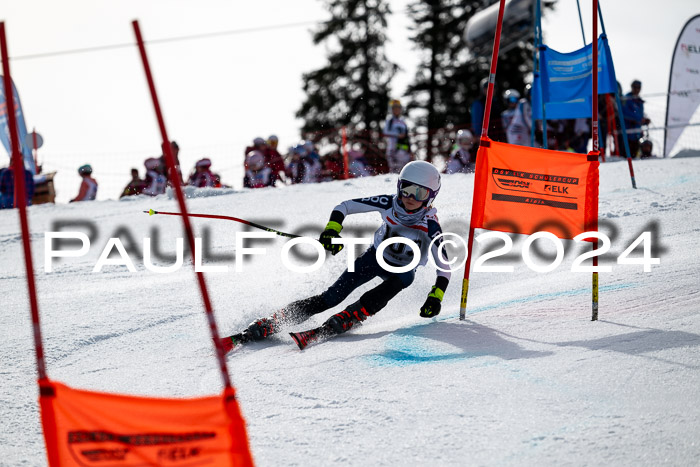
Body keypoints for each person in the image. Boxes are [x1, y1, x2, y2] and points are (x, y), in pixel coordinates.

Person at [224, 160, 451, 351]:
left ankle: (353, 314)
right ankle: (275, 321)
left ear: (431, 197)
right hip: (373, 259)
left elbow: (445, 267)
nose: (410, 197)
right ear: (399, 186)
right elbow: (344, 207)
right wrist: (332, 230)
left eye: (419, 192)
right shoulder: (388, 203)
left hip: (401, 271)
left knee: (398, 282)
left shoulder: (430, 226)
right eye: (407, 189)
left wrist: (435, 296)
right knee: (330, 298)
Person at [471, 77, 505, 142]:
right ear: (483, 89)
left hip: (499, 135)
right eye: (487, 88)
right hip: (487, 136)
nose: (490, 90)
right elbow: (476, 121)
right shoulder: (479, 103)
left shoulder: (498, 102)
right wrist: (479, 135)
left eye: (493, 88)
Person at [622, 80, 650, 158]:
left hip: (637, 134)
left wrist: (644, 121)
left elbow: (640, 115)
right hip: (628, 134)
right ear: (632, 87)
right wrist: (639, 119)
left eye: (639, 87)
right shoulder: (627, 98)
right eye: (635, 87)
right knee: (627, 156)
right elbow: (624, 113)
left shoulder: (639, 100)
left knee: (635, 155)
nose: (637, 89)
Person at [383, 99, 413, 173]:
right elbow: (385, 132)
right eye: (394, 108)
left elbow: (406, 135)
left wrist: (410, 149)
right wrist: (397, 135)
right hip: (392, 147)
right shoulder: (390, 120)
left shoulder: (403, 121)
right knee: (393, 168)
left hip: (403, 147)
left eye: (398, 108)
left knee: (404, 168)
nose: (396, 110)